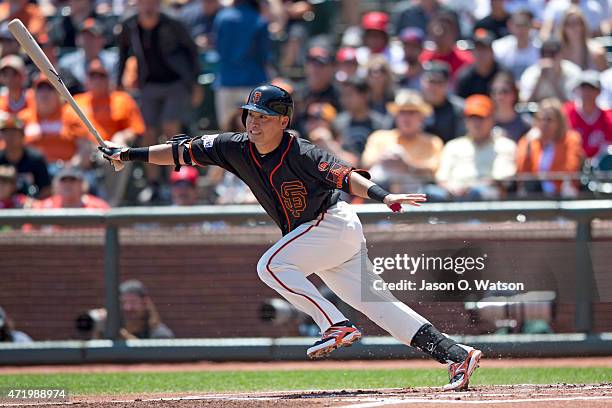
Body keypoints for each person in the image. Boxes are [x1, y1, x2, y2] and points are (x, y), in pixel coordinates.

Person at [101, 83, 483, 391]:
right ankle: (456, 354)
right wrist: (128, 154)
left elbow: (346, 176)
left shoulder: (300, 151)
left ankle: (335, 324)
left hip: (330, 223)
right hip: (321, 236)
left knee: (270, 265)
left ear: (283, 121)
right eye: (250, 114)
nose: (253, 122)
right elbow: (183, 152)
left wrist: (384, 196)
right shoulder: (233, 147)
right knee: (379, 306)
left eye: (264, 116)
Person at [116, 0, 200, 200]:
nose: (148, 5)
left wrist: (195, 83)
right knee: (148, 131)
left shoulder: (173, 21)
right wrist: (118, 81)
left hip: (176, 82)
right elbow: (123, 52)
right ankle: (153, 183)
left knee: (171, 127)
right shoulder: (129, 24)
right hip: (149, 84)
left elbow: (191, 50)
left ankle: (177, 180)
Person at [435, 94, 517, 200]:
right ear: (465, 121)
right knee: (429, 193)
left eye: (481, 118)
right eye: (472, 118)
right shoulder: (453, 146)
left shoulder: (504, 145)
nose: (476, 123)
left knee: (476, 193)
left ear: (492, 119)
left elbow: (502, 178)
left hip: (487, 198)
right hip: (453, 195)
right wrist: (452, 188)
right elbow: (442, 177)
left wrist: (470, 188)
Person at [362, 90, 443, 196]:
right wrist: (384, 159)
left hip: (417, 191)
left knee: (435, 193)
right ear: (396, 116)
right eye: (402, 112)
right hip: (382, 190)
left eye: (411, 113)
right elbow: (366, 163)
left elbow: (434, 170)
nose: (406, 118)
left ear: (421, 117)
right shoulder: (379, 137)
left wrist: (407, 166)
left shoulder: (432, 141)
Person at [213, 0, 269, 127]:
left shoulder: (222, 17)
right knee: (254, 134)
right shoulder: (259, 20)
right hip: (253, 83)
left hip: (226, 82)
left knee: (226, 135)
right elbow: (263, 56)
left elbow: (218, 48)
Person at [516, 98, 584, 196]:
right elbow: (522, 175)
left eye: (549, 120)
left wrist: (545, 178)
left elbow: (571, 169)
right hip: (536, 193)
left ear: (559, 122)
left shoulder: (571, 139)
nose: (544, 124)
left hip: (561, 192)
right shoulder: (528, 141)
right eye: (541, 119)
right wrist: (528, 148)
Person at [334, 75, 388, 158]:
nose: (344, 100)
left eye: (349, 95)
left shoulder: (381, 124)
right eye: (343, 95)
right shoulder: (338, 123)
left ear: (365, 96)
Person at [0, 113, 51, 198]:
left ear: (22, 135)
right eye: (6, 133)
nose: (10, 137)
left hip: (30, 207)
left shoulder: (35, 159)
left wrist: (35, 203)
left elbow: (46, 189)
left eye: (13, 133)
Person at [563, 71, 612, 159]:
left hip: (600, 169)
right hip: (572, 166)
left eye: (591, 88)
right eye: (583, 88)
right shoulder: (566, 112)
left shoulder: (608, 117)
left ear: (599, 92)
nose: (586, 92)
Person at [58, 18, 119, 86]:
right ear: (77, 40)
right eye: (85, 37)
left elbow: (115, 86)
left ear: (103, 39)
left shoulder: (114, 61)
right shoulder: (66, 63)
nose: (88, 41)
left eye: (92, 36)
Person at [519, 38, 582, 103]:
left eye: (552, 54)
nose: (548, 58)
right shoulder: (531, 73)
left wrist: (553, 81)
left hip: (564, 111)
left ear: (561, 55)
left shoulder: (573, 72)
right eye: (544, 54)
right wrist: (539, 80)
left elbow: (572, 104)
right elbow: (525, 103)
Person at [419, 11, 473, 80]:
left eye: (445, 30)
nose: (440, 34)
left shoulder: (465, 60)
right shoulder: (424, 58)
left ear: (454, 33)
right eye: (437, 30)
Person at [421, 62, 466, 143]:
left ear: (448, 84)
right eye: (431, 81)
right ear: (422, 82)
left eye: (440, 82)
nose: (435, 87)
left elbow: (461, 140)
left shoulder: (459, 109)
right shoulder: (413, 106)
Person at [492, 10, 541, 80]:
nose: (521, 29)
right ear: (510, 26)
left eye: (524, 25)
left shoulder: (539, 49)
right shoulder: (500, 47)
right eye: (518, 25)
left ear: (531, 26)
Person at [557, 6, 607, 72]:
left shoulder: (597, 52)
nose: (573, 28)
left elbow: (604, 78)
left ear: (583, 26)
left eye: (576, 23)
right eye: (569, 24)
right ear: (563, 28)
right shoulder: (558, 54)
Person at [33, 166, 110, 210]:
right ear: (56, 185)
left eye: (72, 180)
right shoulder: (45, 207)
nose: (68, 184)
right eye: (63, 180)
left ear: (82, 184)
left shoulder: (98, 208)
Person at [455, 29, 500, 99]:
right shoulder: (465, 76)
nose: (480, 54)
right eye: (478, 49)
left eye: (484, 49)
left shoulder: (501, 74)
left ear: (492, 52)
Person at [491, 71, 531, 141]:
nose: (499, 96)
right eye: (495, 92)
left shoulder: (525, 124)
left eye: (505, 91)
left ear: (514, 94)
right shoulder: (485, 122)